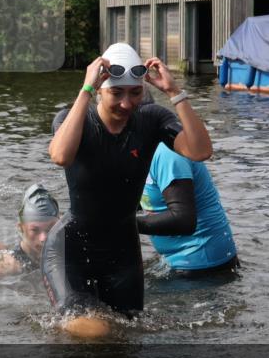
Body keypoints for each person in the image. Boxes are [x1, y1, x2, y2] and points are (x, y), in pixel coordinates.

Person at [45, 42, 212, 316]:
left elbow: (200, 150)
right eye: (116, 93)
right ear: (100, 89)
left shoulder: (152, 120)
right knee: (86, 330)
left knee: (129, 337)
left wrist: (174, 91)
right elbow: (61, 156)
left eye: (135, 92)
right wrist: (85, 90)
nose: (126, 103)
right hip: (71, 249)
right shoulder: (73, 118)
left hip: (122, 251)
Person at [138, 143, 238, 274]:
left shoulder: (168, 153)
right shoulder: (140, 150)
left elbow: (184, 219)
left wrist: (118, 224)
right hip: (179, 261)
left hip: (202, 265)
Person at [0, 184, 60, 276]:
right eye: (35, 230)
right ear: (21, 228)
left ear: (60, 225)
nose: (43, 238)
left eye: (50, 228)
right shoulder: (10, 267)